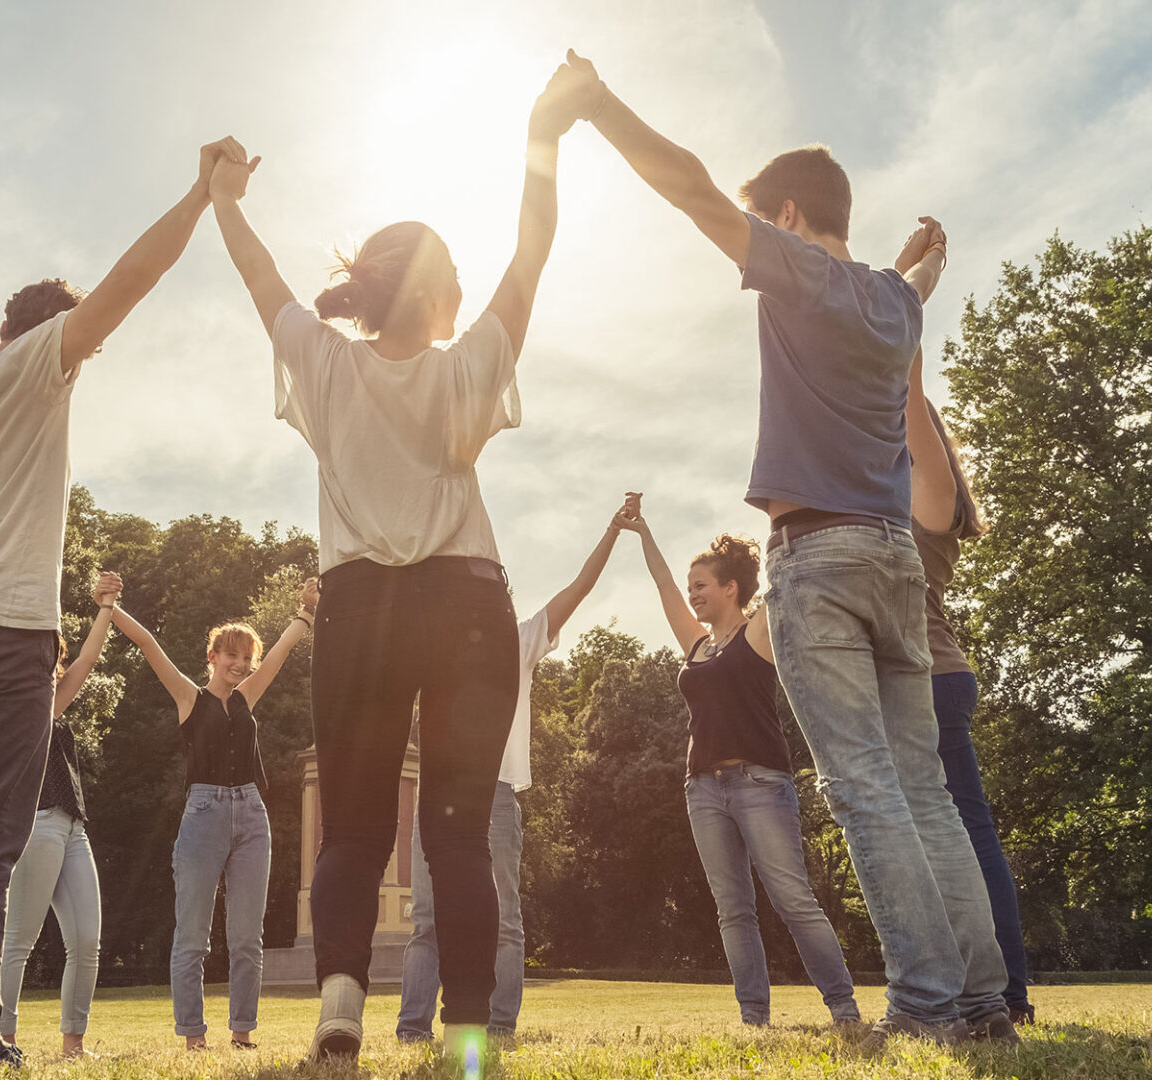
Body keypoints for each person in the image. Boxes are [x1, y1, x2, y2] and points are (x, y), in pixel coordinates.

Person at [555, 50, 1013, 1041]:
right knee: (926, 794)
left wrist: (599, 104)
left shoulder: (798, 270)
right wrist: (925, 251)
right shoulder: (896, 302)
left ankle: (929, 1007)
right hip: (896, 562)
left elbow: (688, 188)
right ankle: (983, 1002)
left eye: (768, 221)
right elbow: (913, 275)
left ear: (795, 220)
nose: (755, 237)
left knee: (862, 793)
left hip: (818, 560)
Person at [206, 65, 580, 1061]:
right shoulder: (468, 365)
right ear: (439, 288)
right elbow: (534, 251)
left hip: (363, 608)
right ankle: (464, 1038)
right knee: (457, 832)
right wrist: (544, 131)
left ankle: (339, 1007)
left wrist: (224, 200)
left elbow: (259, 278)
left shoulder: (326, 365)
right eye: (455, 277)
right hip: (464, 604)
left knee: (354, 830)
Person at [0, 141, 249, 1071]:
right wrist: (199, 193)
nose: (91, 353)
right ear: (61, 335)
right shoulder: (45, 363)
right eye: (86, 343)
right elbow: (133, 278)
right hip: (1, 639)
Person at [616, 495, 860, 1027]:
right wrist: (642, 532)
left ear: (730, 588)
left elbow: (782, 572)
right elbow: (661, 587)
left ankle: (844, 1010)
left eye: (701, 586)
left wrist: (792, 513)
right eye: (691, 588)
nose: (692, 594)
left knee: (793, 900)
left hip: (760, 782)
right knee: (734, 911)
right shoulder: (698, 646)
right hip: (702, 789)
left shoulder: (757, 632)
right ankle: (754, 1016)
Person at [397, 504, 628, 1042]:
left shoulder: (519, 642)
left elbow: (581, 587)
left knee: (502, 920)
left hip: (494, 797)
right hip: (437, 797)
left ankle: (497, 1025)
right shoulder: (432, 651)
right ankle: (412, 1028)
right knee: (426, 920)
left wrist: (613, 530)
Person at [104, 578, 319, 1050]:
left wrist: (305, 612)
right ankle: (193, 1038)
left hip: (251, 814)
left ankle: (242, 1035)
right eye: (232, 657)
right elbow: (147, 643)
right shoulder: (189, 698)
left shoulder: (248, 698)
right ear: (213, 657)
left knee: (247, 938)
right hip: (203, 816)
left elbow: (281, 653)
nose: (241, 665)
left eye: (247, 659)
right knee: (193, 938)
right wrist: (110, 605)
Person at [905, 351, 1035, 1024]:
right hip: (933, 680)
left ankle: (1006, 993)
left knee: (965, 838)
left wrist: (899, 326)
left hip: (930, 681)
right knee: (948, 839)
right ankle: (985, 988)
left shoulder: (930, 501)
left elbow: (908, 396)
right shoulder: (911, 501)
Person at [0, 571, 125, 1059]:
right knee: (19, 942)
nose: (56, 668)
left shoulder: (53, 705)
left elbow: (86, 659)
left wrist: (106, 607)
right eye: (48, 660)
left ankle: (73, 1044)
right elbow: (87, 663)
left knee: (88, 940)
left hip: (73, 827)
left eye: (58, 660)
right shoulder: (22, 708)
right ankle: (3, 1038)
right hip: (38, 824)